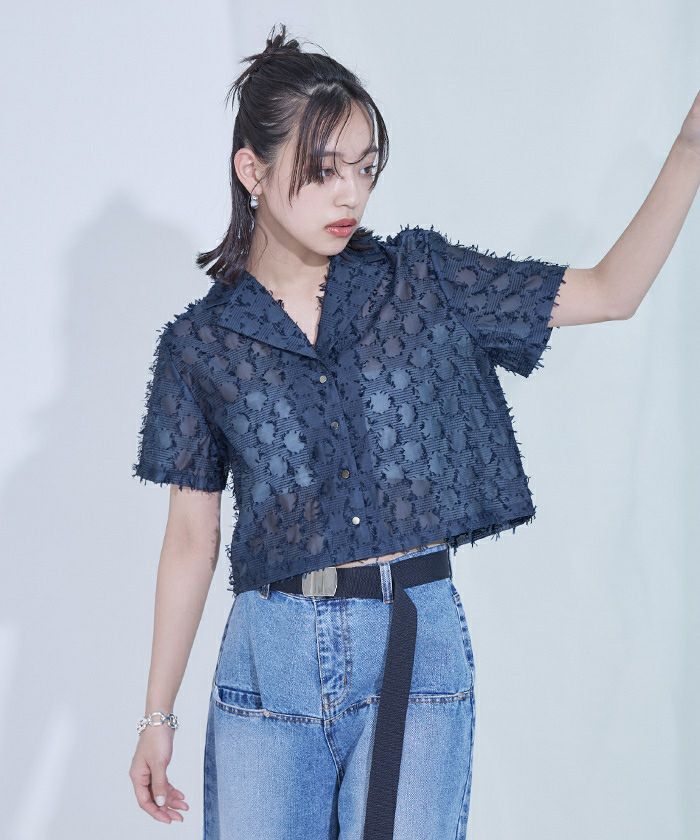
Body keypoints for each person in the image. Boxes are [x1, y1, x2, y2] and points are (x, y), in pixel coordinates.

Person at [127, 21, 700, 840]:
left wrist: (689, 149)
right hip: (269, 658)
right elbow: (192, 537)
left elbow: (612, 291)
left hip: (411, 642)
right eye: (324, 170)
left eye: (365, 169)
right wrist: (157, 716)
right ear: (252, 170)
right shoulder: (201, 345)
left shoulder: (420, 282)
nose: (350, 196)